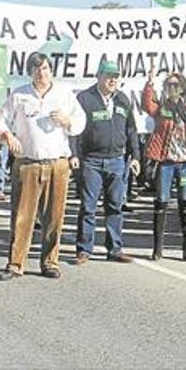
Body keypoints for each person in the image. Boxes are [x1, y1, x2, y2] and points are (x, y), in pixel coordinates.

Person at [0, 52, 86, 280]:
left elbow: (80, 121)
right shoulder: (19, 94)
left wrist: (67, 121)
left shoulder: (64, 94)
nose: (41, 73)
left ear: (51, 70)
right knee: (22, 216)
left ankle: (50, 262)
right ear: (30, 72)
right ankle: (16, 263)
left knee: (54, 217)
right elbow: (0, 119)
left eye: (44, 68)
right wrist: (7, 136)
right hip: (28, 163)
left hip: (57, 163)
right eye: (36, 69)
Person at [70, 60, 141, 265]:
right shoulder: (84, 98)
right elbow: (75, 130)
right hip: (91, 161)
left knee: (115, 207)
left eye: (116, 76)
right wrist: (74, 154)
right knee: (89, 207)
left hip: (117, 160)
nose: (113, 80)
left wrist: (135, 156)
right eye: (109, 76)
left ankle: (115, 249)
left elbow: (131, 130)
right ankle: (84, 249)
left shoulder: (123, 99)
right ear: (99, 76)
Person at [142, 67, 186, 261]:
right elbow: (147, 104)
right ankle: (157, 249)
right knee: (162, 201)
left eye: (175, 85)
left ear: (183, 88)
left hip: (184, 164)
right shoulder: (161, 108)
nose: (172, 88)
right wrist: (150, 83)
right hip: (166, 163)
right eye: (168, 85)